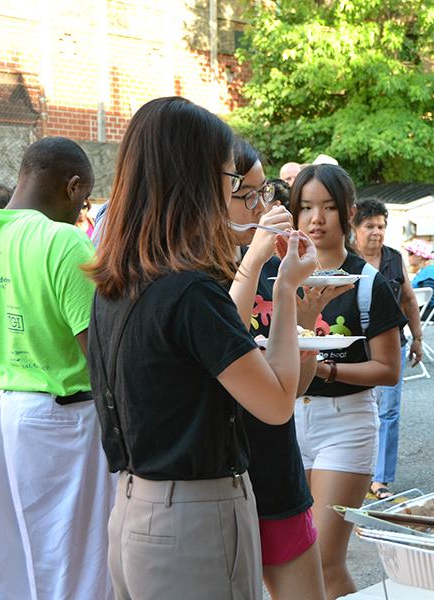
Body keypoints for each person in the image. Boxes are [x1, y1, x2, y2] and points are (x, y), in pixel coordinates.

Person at [86, 96, 316, 600]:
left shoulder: (118, 282)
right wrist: (283, 291)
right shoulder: (188, 289)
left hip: (133, 510)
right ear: (194, 179)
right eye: (229, 179)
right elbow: (277, 404)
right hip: (193, 521)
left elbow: (213, 347)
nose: (234, 192)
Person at [0, 137, 115, 600]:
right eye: (84, 201)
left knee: (12, 567)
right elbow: (99, 354)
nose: (84, 213)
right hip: (60, 422)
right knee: (75, 566)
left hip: (4, 412)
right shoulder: (63, 241)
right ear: (73, 185)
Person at [230, 138, 349, 600]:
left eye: (268, 195)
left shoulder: (275, 268)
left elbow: (291, 391)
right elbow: (220, 342)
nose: (266, 208)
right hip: (223, 478)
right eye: (251, 196)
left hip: (276, 469)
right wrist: (257, 259)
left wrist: (302, 321)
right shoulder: (203, 274)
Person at [290, 164, 407, 600]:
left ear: (348, 213)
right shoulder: (277, 274)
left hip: (347, 422)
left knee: (323, 558)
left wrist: (324, 368)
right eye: (305, 207)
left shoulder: (367, 281)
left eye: (327, 208)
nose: (315, 219)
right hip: (287, 420)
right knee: (288, 558)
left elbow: (388, 370)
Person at [352, 198, 424, 500]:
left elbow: (408, 298)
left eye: (381, 226)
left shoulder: (394, 258)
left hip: (393, 344)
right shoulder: (346, 259)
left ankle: (380, 478)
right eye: (369, 226)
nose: (376, 232)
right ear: (355, 228)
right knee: (358, 410)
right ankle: (357, 470)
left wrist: (417, 336)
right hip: (355, 348)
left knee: (389, 412)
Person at [405, 238, 434, 322]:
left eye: (410, 253)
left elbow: (429, 299)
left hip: (427, 311)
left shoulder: (431, 271)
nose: (408, 256)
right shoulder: (424, 270)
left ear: (419, 256)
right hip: (419, 309)